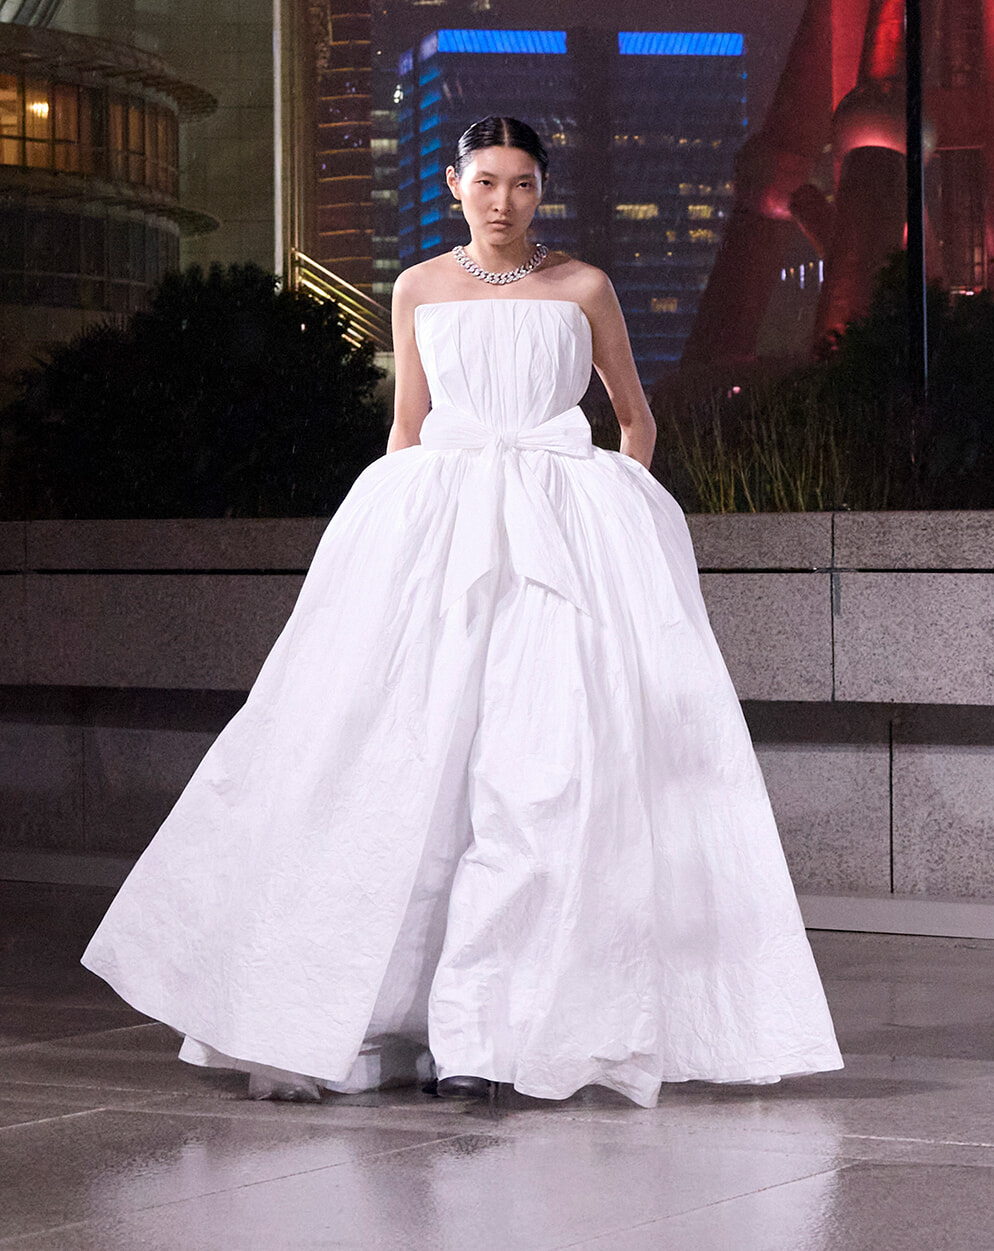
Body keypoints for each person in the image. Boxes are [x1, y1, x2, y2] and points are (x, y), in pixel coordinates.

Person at [82, 115, 842, 1108]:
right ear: (453, 183)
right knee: (400, 763)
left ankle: (496, 1034)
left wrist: (610, 513)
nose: (504, 199)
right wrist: (392, 556)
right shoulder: (419, 287)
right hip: (442, 534)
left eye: (523, 182)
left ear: (542, 190)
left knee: (539, 778)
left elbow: (636, 418)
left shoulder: (583, 287)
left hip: (556, 547)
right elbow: (408, 423)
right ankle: (382, 1018)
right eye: (487, 180)